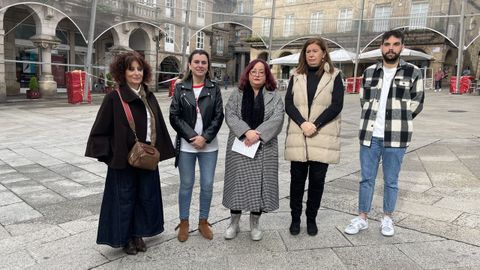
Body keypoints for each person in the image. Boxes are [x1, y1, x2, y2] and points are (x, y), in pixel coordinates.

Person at [85, 51, 175, 255]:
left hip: (146, 157)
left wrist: (159, 150)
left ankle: (138, 234)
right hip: (124, 160)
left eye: (139, 69)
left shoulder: (149, 96)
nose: (136, 73)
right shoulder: (113, 98)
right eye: (131, 69)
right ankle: (125, 238)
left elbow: (157, 125)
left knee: (145, 197)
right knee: (123, 199)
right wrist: (111, 155)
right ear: (122, 72)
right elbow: (99, 131)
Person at [344, 29, 424, 237]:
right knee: (366, 178)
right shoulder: (370, 72)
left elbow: (417, 103)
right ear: (381, 47)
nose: (391, 48)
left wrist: (399, 120)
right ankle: (362, 217)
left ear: (402, 47)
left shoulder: (413, 72)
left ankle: (387, 217)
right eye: (387, 44)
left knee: (391, 180)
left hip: (397, 137)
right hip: (370, 135)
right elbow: (364, 100)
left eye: (395, 44)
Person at [284, 38, 344, 236]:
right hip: (299, 135)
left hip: (322, 135)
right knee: (297, 182)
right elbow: (289, 104)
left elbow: (336, 105)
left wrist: (315, 125)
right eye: (308, 51)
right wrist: (303, 123)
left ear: (323, 53)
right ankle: (295, 219)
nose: (311, 54)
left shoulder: (334, 75)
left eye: (315, 51)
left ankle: (311, 218)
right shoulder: (296, 75)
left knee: (317, 182)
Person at [222, 59, 284, 241]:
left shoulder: (275, 96)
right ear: (247, 74)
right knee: (238, 185)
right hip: (241, 145)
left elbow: (278, 118)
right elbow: (230, 113)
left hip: (264, 146)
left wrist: (258, 134)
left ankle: (255, 224)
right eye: (253, 72)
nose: (257, 75)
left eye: (261, 72)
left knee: (259, 187)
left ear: (267, 76)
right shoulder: (237, 94)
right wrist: (246, 131)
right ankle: (234, 222)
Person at [169, 49, 224, 242]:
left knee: (207, 184)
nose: (200, 65)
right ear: (190, 65)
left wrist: (205, 138)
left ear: (208, 66)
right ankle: (184, 222)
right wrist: (193, 136)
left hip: (209, 146)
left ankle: (203, 221)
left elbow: (219, 116)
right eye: (197, 62)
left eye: (204, 62)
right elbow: (174, 116)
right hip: (186, 145)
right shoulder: (181, 87)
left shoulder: (214, 88)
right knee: (186, 184)